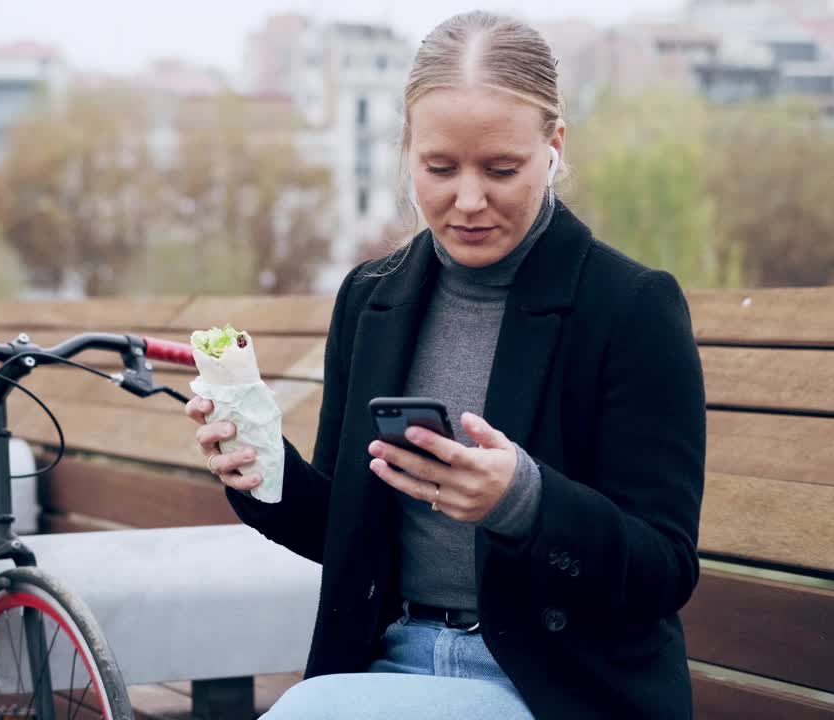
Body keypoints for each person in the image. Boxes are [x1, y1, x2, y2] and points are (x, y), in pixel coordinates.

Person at [185, 10, 706, 719]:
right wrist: (258, 472)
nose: (467, 201)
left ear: (553, 146)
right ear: (407, 150)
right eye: (439, 168)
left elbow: (664, 569)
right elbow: (344, 531)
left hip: (553, 685)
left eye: (501, 169)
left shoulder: (630, 307)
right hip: (390, 660)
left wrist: (523, 502)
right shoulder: (372, 298)